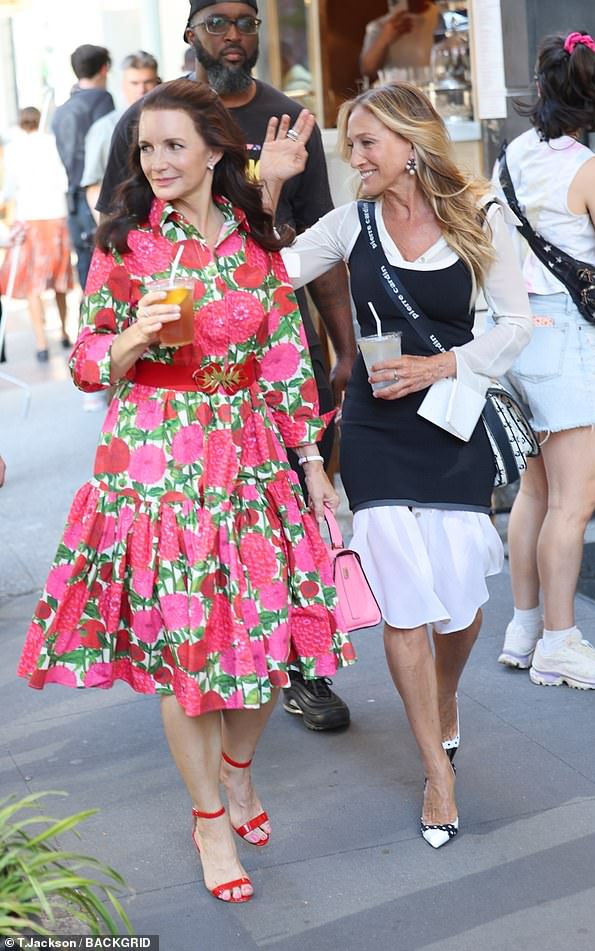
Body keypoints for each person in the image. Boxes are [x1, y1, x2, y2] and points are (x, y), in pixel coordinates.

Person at [17, 78, 356, 904]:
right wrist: (130, 334)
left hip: (249, 462)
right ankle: (209, 819)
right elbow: (88, 363)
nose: (158, 161)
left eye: (174, 145)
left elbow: (282, 356)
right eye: (146, 148)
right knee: (187, 659)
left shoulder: (253, 242)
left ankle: (237, 772)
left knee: (270, 651)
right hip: (156, 465)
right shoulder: (126, 239)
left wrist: (311, 463)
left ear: (215, 149)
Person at [270, 81, 531, 847]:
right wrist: (271, 186)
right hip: (376, 428)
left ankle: (443, 697)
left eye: (366, 143)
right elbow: (264, 274)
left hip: (453, 425)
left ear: (411, 144)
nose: (355, 158)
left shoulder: (481, 216)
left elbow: (517, 325)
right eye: (350, 144)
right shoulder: (350, 224)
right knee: (403, 603)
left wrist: (441, 366)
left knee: (459, 593)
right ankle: (436, 769)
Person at [96, 0, 358, 733]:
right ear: (190, 33)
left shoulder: (290, 118)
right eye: (218, 22)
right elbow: (126, 222)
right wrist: (129, 332)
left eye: (247, 21)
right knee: (197, 551)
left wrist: (343, 345)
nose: (235, 36)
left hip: (265, 347)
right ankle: (205, 666)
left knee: (283, 533)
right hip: (175, 391)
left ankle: (297, 666)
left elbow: (304, 247)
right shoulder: (146, 118)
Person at [495, 32, 595, 690]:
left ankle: (524, 628)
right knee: (576, 500)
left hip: (516, 333)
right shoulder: (591, 172)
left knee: (537, 491)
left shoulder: (512, 155)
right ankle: (561, 641)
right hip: (562, 342)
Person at [0, 107, 73, 361]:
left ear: (21, 125)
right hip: (55, 216)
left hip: (30, 218)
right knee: (59, 281)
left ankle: (42, 342)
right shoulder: (52, 143)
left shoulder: (14, 149)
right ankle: (64, 332)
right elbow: (64, 180)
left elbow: (9, 188)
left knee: (34, 284)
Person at [51, 44, 115, 291]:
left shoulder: (61, 111)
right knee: (106, 276)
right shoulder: (103, 101)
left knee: (86, 273)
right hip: (98, 195)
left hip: (74, 200)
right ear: (104, 69)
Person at [82, 51, 160, 218]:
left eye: (147, 82)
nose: (141, 90)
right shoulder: (104, 128)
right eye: (134, 83)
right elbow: (94, 184)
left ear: (158, 82)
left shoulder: (174, 122)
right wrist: (108, 228)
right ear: (123, 85)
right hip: (124, 220)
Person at [360, 1, 442, 85]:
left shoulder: (443, 17)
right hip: (395, 95)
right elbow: (368, 72)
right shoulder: (378, 27)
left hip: (435, 91)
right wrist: (384, 39)